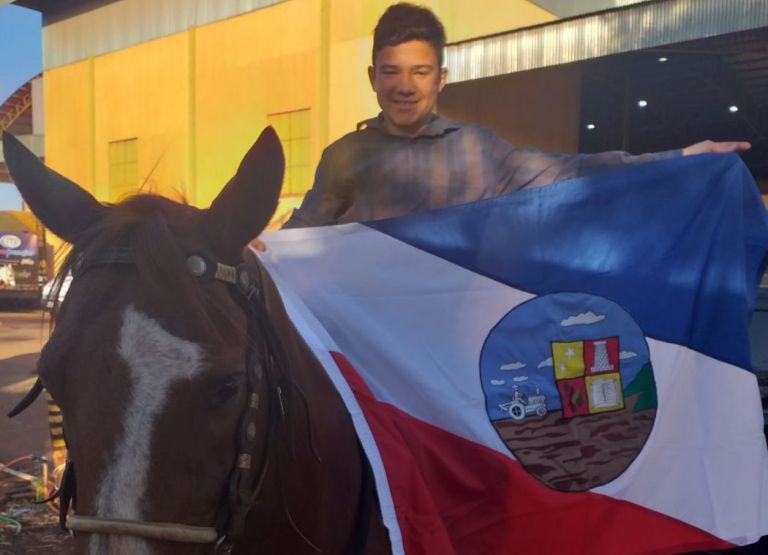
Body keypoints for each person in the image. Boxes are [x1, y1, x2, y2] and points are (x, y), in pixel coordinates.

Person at [269, 3, 749, 234]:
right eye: (392, 72)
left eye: (419, 72)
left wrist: (681, 159)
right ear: (373, 77)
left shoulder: (480, 151)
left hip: (459, 341)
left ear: (441, 79)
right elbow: (304, 235)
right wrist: (252, 250)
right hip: (376, 352)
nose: (404, 86)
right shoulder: (344, 157)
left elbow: (577, 171)